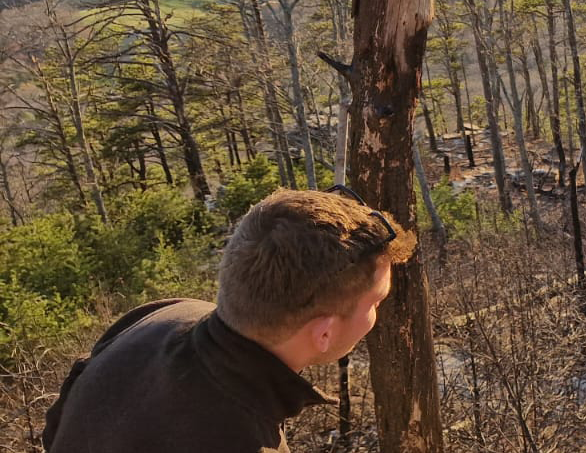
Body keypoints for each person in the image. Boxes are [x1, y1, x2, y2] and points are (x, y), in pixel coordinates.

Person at [44, 187, 416, 453]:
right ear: (324, 332)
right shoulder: (245, 441)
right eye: (375, 302)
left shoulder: (158, 315)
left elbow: (56, 430)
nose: (375, 317)